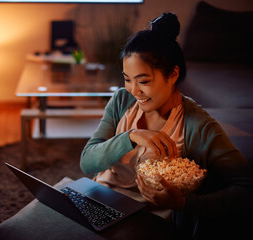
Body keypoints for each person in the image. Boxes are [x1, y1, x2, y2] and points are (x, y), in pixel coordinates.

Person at [80, 12, 253, 239]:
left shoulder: (199, 127)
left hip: (146, 220)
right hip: (99, 198)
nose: (134, 90)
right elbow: (87, 163)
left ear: (172, 75)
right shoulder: (122, 101)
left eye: (143, 81)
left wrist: (184, 202)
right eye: (127, 79)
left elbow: (245, 188)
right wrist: (130, 136)